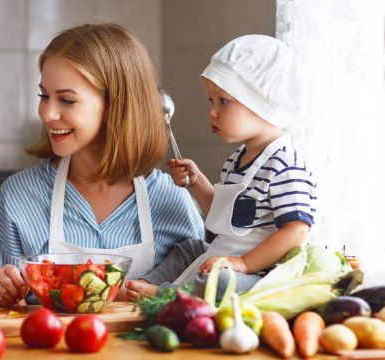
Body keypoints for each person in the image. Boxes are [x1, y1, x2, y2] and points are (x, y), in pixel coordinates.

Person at [0, 23, 205, 307]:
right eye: (44, 95)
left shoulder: (172, 200)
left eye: (67, 100)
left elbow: (195, 305)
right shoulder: (19, 197)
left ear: (116, 105)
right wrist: (1, 291)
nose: (47, 113)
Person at [125, 34, 317, 300]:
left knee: (223, 280)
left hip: (259, 273)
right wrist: (197, 183)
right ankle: (142, 284)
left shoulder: (285, 164)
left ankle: (164, 295)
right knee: (190, 248)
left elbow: (296, 230)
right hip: (227, 255)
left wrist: (245, 264)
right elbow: (225, 219)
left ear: (260, 103)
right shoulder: (237, 159)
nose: (212, 112)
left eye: (223, 101)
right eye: (211, 101)